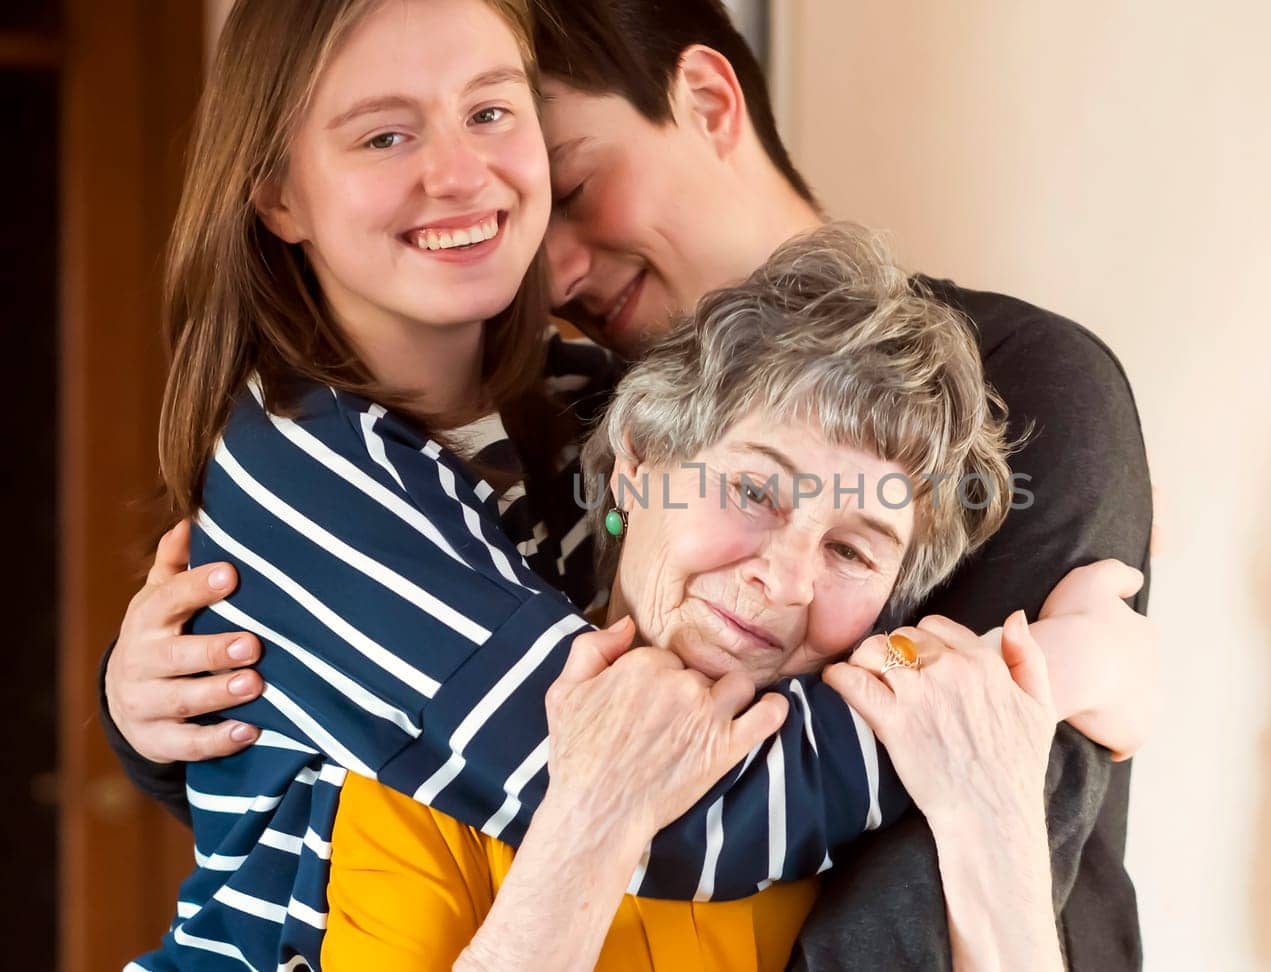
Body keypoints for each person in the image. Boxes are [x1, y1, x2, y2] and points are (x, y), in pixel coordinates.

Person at [113, 1, 1153, 969]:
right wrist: (1048, 670)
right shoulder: (315, 461)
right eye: (386, 135)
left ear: (707, 102)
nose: (546, 260)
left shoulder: (586, 399)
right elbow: (653, 796)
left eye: (498, 121)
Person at [324, 223, 1078, 970]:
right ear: (638, 466)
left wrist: (995, 822)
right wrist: (593, 819)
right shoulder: (419, 778)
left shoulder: (898, 784)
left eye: (850, 549)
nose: (783, 579)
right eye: (752, 490)